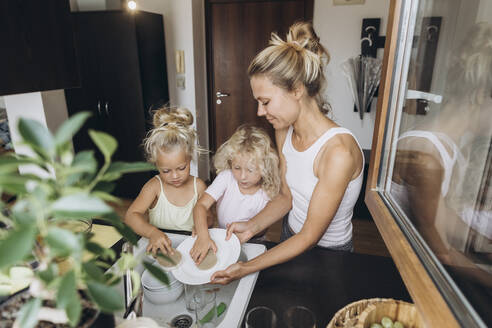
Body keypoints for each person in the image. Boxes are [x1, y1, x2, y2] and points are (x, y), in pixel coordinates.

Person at [210, 22, 364, 284]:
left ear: (296, 89)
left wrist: (246, 268)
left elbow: (310, 236)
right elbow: (286, 197)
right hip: (289, 234)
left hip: (329, 253)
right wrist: (253, 226)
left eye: (266, 101)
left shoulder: (338, 153)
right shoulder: (285, 131)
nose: (260, 112)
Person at [190, 124, 280, 264]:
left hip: (255, 243)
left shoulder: (268, 191)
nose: (242, 176)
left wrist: (246, 233)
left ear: (265, 168)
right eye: (237, 168)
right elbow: (200, 206)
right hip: (222, 237)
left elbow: (262, 229)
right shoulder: (226, 178)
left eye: (250, 170)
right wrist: (203, 236)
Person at [124, 106, 207, 255]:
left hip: (190, 247)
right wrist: (152, 233)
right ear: (156, 164)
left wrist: (202, 225)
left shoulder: (199, 186)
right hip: (160, 248)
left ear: (189, 159)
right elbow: (131, 216)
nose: (175, 176)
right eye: (166, 171)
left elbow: (210, 215)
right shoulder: (154, 187)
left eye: (181, 168)